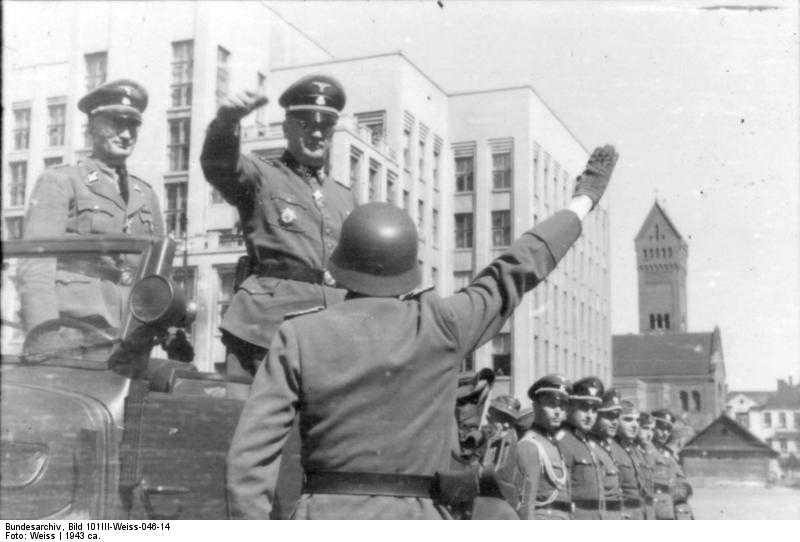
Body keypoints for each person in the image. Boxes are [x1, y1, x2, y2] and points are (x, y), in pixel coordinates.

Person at [226, 144, 619, 519]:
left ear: (340, 264)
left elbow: (250, 457)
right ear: (409, 269)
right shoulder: (443, 324)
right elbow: (516, 268)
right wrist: (582, 201)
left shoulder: (299, 335)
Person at [200, 74, 355, 379]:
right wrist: (226, 121)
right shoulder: (262, 176)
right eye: (307, 124)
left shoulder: (344, 197)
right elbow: (220, 165)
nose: (317, 134)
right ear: (286, 127)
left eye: (326, 126)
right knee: (253, 422)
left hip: (333, 332)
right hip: (267, 329)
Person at [21, 79, 164, 334]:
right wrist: (42, 335)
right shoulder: (61, 181)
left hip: (132, 331)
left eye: (133, 125)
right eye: (116, 123)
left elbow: (159, 270)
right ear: (92, 126)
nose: (127, 134)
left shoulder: (146, 194)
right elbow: (36, 266)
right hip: (73, 328)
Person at [517, 375, 573, 520]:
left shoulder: (553, 443)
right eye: (551, 404)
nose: (557, 411)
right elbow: (526, 503)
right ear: (536, 406)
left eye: (562, 406)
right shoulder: (530, 445)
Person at [556, 376, 606, 520]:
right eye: (584, 408)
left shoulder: (588, 443)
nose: (590, 416)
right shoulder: (563, 441)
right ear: (570, 407)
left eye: (594, 410)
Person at [651, 410, 694, 519]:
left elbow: (683, 484)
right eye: (661, 427)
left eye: (668, 429)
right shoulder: (642, 453)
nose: (665, 432)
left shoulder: (667, 456)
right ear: (652, 427)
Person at [589, 387, 623, 519]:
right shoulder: (589, 448)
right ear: (596, 416)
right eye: (609, 416)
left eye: (616, 417)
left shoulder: (606, 447)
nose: (614, 422)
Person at [613, 400, 649, 519]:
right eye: (628, 420)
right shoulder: (611, 449)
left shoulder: (636, 451)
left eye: (637, 420)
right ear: (616, 421)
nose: (635, 425)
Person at [636, 412, 657, 519]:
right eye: (645, 428)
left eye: (652, 430)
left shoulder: (649, 454)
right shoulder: (631, 453)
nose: (649, 434)